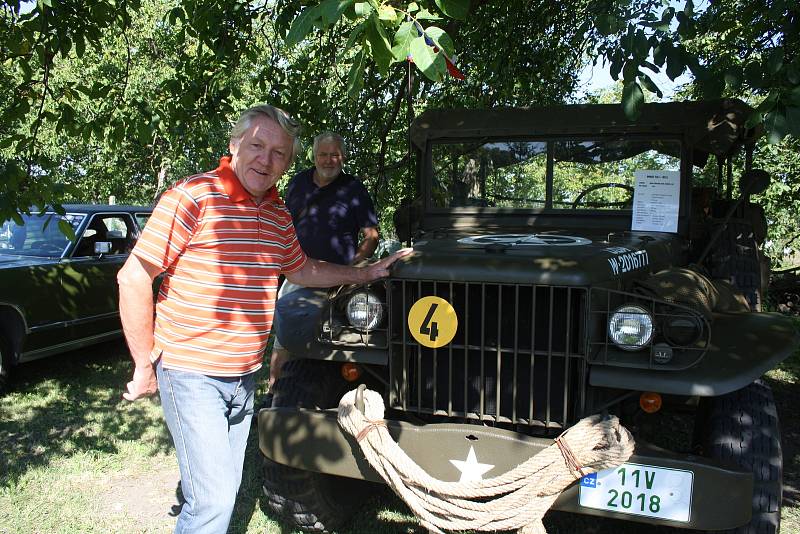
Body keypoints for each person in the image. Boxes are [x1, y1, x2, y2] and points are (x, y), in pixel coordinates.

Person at [117, 104, 409, 533]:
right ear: (234, 145)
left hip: (243, 377)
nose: (265, 159)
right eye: (257, 145)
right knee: (212, 502)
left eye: (278, 153)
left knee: (224, 487)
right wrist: (144, 364)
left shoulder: (276, 213)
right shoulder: (192, 197)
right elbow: (134, 276)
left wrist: (366, 273)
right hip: (190, 371)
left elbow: (302, 268)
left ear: (289, 163)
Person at [267, 131, 378, 393]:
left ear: (343, 157)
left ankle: (333, 393)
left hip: (339, 282)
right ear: (314, 156)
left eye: (334, 155)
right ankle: (275, 395)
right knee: (284, 341)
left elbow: (371, 236)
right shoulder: (297, 184)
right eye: (323, 154)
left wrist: (352, 267)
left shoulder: (353, 189)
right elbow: (283, 225)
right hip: (298, 274)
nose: (329, 160)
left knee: (340, 340)